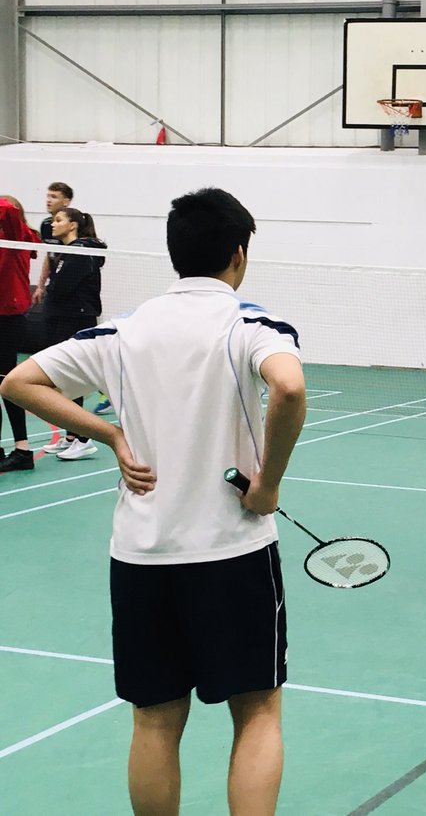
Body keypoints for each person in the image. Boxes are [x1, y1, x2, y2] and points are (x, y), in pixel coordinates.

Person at [1, 187, 306, 814]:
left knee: (155, 721)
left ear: (174, 255)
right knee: (257, 712)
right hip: (232, 553)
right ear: (239, 255)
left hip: (141, 557)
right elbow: (290, 388)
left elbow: (19, 381)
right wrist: (268, 485)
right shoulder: (252, 324)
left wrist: (110, 433)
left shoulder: (122, 330)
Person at [38, 208, 107, 460]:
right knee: (65, 381)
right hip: (63, 317)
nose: (52, 224)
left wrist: (52, 283)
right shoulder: (68, 251)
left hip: (75, 318)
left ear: (73, 225)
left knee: (71, 379)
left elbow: (60, 287)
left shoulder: (80, 251)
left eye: (59, 220)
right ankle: (71, 436)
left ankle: (83, 438)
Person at [0, 196, 42, 471]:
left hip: (8, 320)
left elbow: (8, 208)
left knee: (7, 385)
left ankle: (22, 451)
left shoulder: (18, 237)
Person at [32, 181, 72, 306]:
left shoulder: (73, 224)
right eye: (48, 196)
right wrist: (40, 286)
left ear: (66, 202)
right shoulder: (45, 225)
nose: (48, 200)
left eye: (54, 197)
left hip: (70, 287)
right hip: (53, 285)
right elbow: (50, 256)